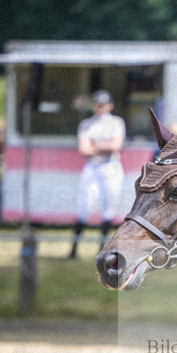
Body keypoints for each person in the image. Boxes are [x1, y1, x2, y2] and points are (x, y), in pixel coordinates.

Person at [68, 90, 125, 258]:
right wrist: (103, 145)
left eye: (103, 104)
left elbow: (115, 146)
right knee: (84, 205)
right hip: (92, 166)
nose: (99, 107)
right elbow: (83, 149)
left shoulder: (116, 122)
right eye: (97, 104)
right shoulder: (86, 124)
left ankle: (102, 248)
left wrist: (94, 145)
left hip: (110, 166)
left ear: (110, 105)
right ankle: (74, 249)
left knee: (109, 206)